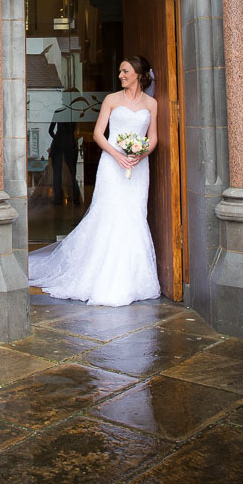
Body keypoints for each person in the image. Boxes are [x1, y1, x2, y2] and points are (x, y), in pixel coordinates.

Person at [29, 56, 161, 306]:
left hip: (138, 167)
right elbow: (100, 134)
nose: (121, 75)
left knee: (133, 215)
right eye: (120, 71)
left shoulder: (152, 103)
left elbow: (152, 137)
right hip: (112, 165)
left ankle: (134, 279)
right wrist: (118, 156)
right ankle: (102, 274)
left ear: (138, 74)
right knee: (109, 214)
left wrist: (139, 154)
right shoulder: (112, 100)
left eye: (125, 71)